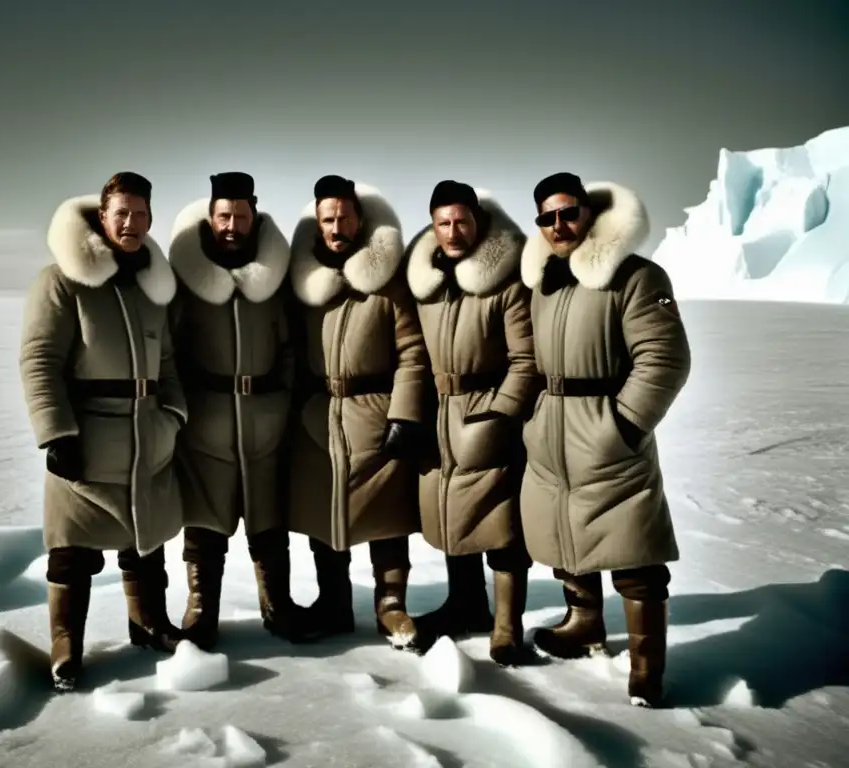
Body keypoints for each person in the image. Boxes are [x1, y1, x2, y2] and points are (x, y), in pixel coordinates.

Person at [518, 172, 692, 707]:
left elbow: (664, 359)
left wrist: (623, 426)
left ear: (589, 214)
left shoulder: (635, 277)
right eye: (547, 217)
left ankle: (646, 668)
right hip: (551, 433)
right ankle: (584, 626)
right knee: (564, 538)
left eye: (568, 212)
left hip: (606, 434)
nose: (558, 224)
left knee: (633, 554)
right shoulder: (545, 283)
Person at [20, 171, 188, 692]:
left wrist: (174, 414)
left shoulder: (152, 286)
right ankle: (65, 643)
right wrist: (56, 433)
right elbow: (39, 359)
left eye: (141, 214)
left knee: (147, 540)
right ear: (102, 217)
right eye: (122, 213)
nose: (131, 223)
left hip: (148, 434)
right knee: (72, 549)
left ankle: (149, 624)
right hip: (87, 438)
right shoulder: (62, 279)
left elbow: (169, 364)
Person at [167, 171, 315, 649]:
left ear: (254, 216)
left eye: (241, 216)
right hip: (205, 422)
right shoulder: (185, 280)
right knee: (205, 523)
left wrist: (284, 403)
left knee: (268, 521)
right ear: (210, 217)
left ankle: (278, 606)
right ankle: (200, 609)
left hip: (265, 419)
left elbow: (291, 346)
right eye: (223, 216)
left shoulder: (274, 277)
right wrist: (180, 410)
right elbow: (169, 347)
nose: (232, 225)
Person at [287, 175, 428, 652]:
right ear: (317, 224)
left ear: (360, 220)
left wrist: (405, 415)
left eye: (345, 216)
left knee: (386, 517)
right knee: (325, 518)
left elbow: (413, 353)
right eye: (328, 218)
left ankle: (392, 607)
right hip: (319, 415)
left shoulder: (388, 283)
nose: (336, 226)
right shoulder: (304, 284)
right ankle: (333, 603)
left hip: (376, 412)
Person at [405, 180, 542, 664]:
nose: (453, 231)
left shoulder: (504, 283)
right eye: (443, 223)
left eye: (462, 221)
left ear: (477, 222)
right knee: (451, 517)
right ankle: (464, 605)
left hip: (486, 412)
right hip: (441, 414)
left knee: (501, 525)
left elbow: (526, 361)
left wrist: (500, 414)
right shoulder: (429, 285)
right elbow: (415, 355)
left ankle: (507, 624)